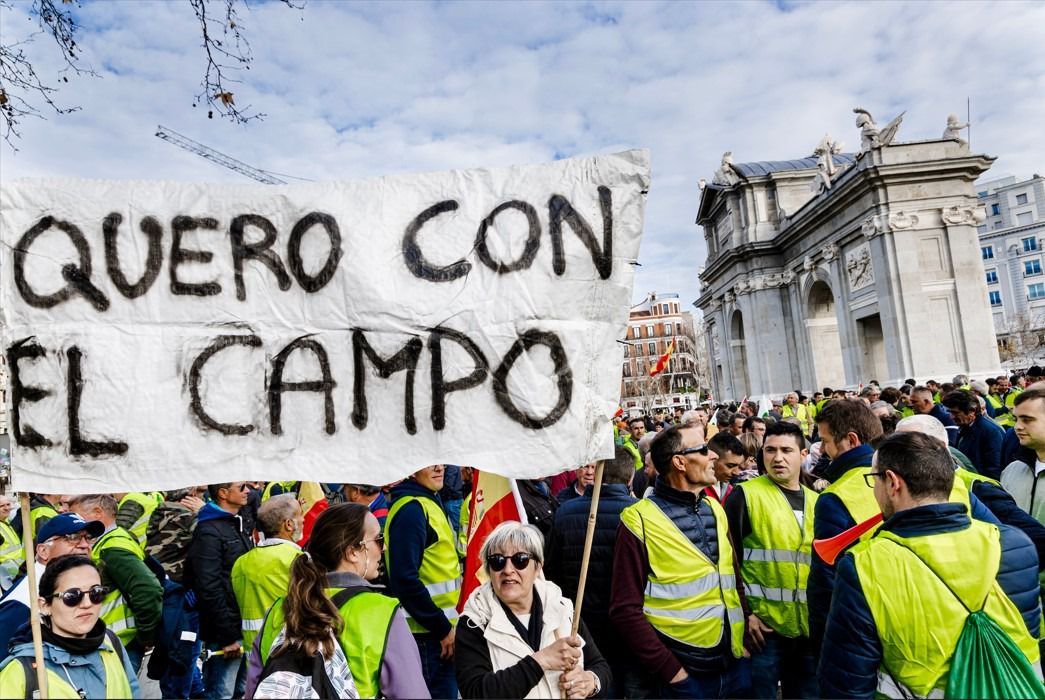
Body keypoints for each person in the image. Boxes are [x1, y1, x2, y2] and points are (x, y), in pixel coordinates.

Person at [819, 432, 1042, 698]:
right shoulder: (1015, 544)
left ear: (892, 482)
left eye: (874, 479)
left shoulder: (864, 565)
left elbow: (847, 685)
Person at [610, 423, 748, 698]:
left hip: (733, 665)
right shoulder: (638, 520)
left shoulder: (714, 509)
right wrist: (673, 672)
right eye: (704, 450)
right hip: (683, 676)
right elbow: (624, 610)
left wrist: (743, 639)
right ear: (680, 462)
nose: (714, 457)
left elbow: (733, 578)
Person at [245, 503, 429, 698]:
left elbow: (253, 691)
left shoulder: (279, 610)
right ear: (352, 552)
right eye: (378, 539)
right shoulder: (382, 612)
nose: (384, 548)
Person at [456, 521, 611, 699]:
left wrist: (591, 681)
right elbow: (475, 692)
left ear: (538, 567)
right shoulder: (474, 622)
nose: (508, 570)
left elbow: (600, 666)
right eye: (497, 561)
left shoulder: (562, 608)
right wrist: (541, 661)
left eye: (520, 560)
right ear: (489, 570)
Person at [725, 421, 818, 699]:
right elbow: (728, 563)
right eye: (770, 450)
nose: (777, 458)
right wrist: (745, 615)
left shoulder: (818, 500)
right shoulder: (746, 496)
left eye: (786, 450)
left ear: (803, 455)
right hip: (763, 631)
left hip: (807, 631)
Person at [545, 446, 646, 698]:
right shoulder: (642, 514)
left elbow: (551, 571)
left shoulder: (565, 512)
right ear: (630, 477)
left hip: (586, 626)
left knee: (598, 686)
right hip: (629, 629)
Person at [0, 555, 140, 698]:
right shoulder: (20, 672)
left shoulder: (110, 642)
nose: (87, 604)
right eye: (72, 596)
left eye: (96, 593)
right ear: (44, 606)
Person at [806, 398, 882, 654]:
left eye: (826, 441)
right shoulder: (908, 473)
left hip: (861, 627)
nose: (822, 450)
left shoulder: (836, 496)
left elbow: (827, 582)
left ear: (851, 440)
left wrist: (823, 643)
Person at [385, 465, 462, 698]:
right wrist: (442, 628)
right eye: (429, 461)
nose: (440, 467)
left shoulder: (428, 501)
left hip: (436, 634)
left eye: (440, 460)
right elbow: (404, 579)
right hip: (427, 639)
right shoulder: (412, 509)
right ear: (411, 468)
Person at [68, 493, 163, 674]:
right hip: (115, 640)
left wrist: (145, 636)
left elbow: (147, 589)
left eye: (77, 516)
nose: (74, 523)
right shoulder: (111, 540)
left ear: (97, 512)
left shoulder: (112, 547)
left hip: (120, 642)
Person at [185, 481, 254, 699]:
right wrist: (226, 636)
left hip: (241, 625)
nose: (248, 491)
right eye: (241, 487)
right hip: (226, 631)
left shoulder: (234, 524)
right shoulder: (209, 531)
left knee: (242, 691)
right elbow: (208, 586)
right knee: (220, 692)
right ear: (223, 493)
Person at [0, 512, 103, 658]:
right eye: (73, 537)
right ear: (43, 551)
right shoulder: (23, 601)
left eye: (88, 538)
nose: (85, 545)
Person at [232, 494, 302, 652]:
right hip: (288, 650)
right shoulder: (298, 560)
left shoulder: (242, 562)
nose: (303, 520)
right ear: (289, 524)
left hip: (253, 652)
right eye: (300, 515)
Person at [942, 389, 1006, 479]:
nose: (951, 417)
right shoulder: (965, 426)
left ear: (972, 411)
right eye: (950, 412)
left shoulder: (991, 432)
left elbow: (994, 469)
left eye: (955, 413)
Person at [704, 432, 746, 502]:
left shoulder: (730, 490)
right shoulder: (693, 489)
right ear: (712, 458)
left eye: (739, 466)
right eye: (730, 466)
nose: (736, 473)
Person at [0, 496, 22, 592]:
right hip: (6, 575)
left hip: (15, 572)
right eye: (2, 506)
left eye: (8, 504)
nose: (7, 508)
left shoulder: (6, 522)